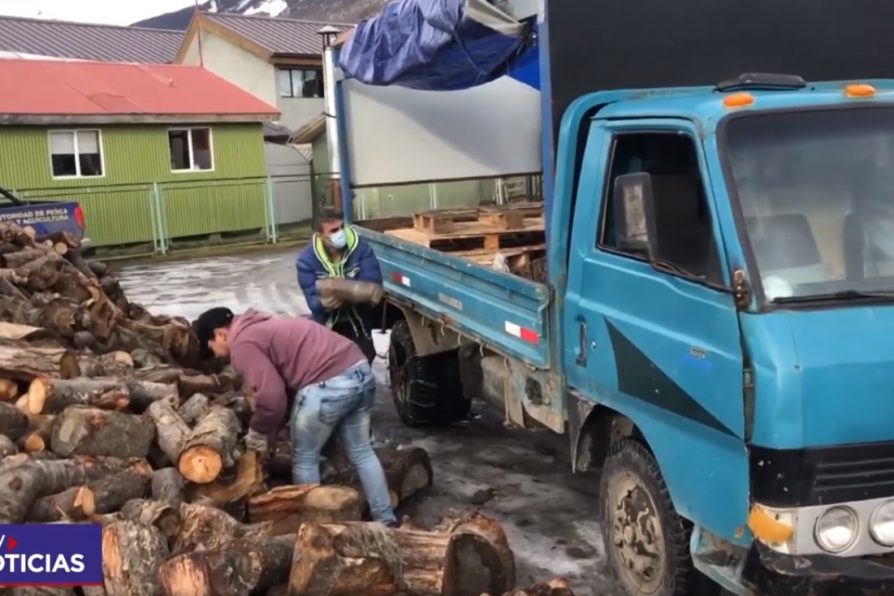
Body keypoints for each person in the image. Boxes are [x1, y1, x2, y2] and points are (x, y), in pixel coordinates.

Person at [192, 306, 398, 526]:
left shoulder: (242, 343)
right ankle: (386, 519)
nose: (215, 354)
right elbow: (284, 391)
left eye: (211, 348)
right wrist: (272, 433)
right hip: (360, 371)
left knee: (305, 459)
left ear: (219, 334)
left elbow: (271, 397)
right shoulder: (261, 324)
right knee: (361, 452)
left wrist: (257, 431)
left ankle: (315, 531)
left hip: (329, 383)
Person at [297, 207, 381, 363]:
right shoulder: (306, 261)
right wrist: (322, 303)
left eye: (342, 227)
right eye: (334, 230)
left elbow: (372, 286)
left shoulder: (361, 250)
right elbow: (312, 299)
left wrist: (335, 288)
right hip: (329, 326)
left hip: (358, 322)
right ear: (320, 235)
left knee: (363, 359)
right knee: (333, 367)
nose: (340, 233)